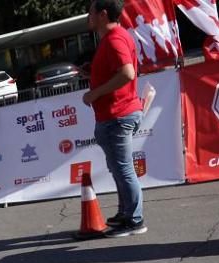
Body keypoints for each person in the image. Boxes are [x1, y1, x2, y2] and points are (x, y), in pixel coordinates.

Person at [83, 0, 147, 238]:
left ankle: (135, 219)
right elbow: (118, 71)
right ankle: (126, 214)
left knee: (123, 169)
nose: (87, 16)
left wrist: (94, 93)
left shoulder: (115, 38)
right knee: (119, 169)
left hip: (118, 115)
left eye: (90, 12)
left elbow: (127, 73)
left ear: (102, 14)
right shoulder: (112, 39)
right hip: (115, 114)